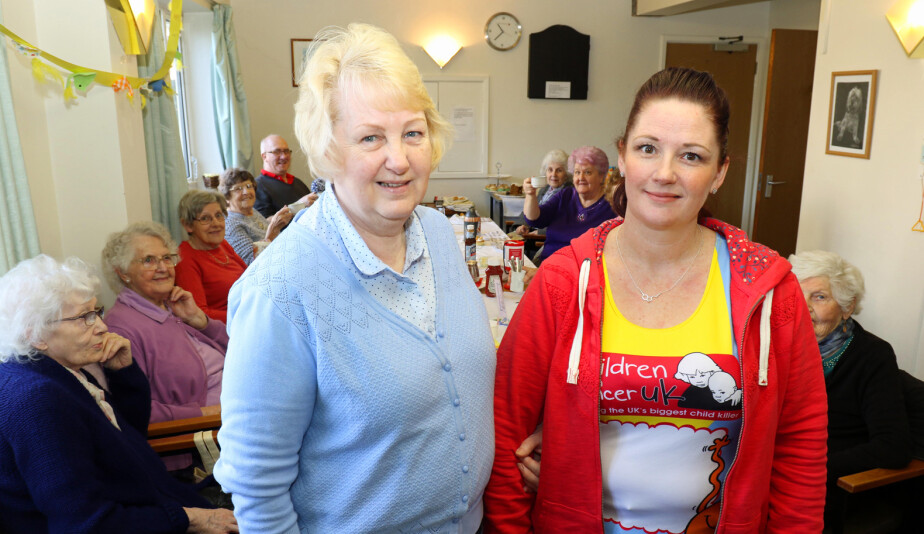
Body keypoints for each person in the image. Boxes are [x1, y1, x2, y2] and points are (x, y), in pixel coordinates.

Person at [485, 67, 827, 533]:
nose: (664, 174)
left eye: (691, 156)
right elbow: (507, 433)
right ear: (623, 157)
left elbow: (800, 446)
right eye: (648, 149)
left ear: (720, 172)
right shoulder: (563, 281)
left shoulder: (769, 290)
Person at [213, 23, 495, 534]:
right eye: (371, 137)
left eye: (413, 132)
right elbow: (257, 485)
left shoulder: (439, 234)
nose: (400, 159)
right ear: (329, 150)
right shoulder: (280, 290)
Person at [0, 254, 237, 534]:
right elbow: (86, 524)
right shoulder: (37, 399)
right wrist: (191, 519)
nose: (101, 326)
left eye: (96, 312)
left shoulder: (58, 369)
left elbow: (126, 443)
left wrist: (123, 374)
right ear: (35, 335)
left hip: (157, 503)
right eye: (84, 318)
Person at [789, 250, 912, 527]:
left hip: (828, 487)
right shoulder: (777, 348)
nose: (804, 307)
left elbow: (893, 446)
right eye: (797, 296)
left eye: (819, 297)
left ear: (847, 307)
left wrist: (814, 467)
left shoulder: (872, 355)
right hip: (774, 471)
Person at [101, 221, 226, 421]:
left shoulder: (174, 305)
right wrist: (204, 414)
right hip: (203, 433)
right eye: (149, 260)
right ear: (123, 273)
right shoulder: (121, 328)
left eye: (167, 258)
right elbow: (137, 408)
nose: (163, 268)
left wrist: (201, 322)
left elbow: (237, 349)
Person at [521, 145, 616, 264]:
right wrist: (530, 195)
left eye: (587, 172)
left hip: (583, 275)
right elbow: (535, 219)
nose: (581, 178)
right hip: (548, 266)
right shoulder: (566, 195)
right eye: (577, 172)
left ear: (601, 176)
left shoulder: (611, 206)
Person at [174, 190, 246, 323]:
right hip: (229, 327)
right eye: (205, 218)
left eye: (219, 215)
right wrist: (245, 316)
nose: (216, 223)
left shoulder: (222, 245)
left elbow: (248, 277)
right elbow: (199, 314)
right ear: (188, 225)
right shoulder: (185, 258)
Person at [219, 167, 293, 264]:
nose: (247, 192)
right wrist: (273, 232)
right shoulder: (230, 224)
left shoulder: (252, 211)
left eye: (249, 186)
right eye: (238, 188)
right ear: (226, 197)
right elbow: (251, 262)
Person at [254, 134, 318, 218]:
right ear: (264, 157)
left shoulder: (298, 183)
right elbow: (263, 224)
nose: (284, 156)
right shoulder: (257, 186)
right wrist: (299, 206)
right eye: (277, 152)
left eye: (286, 151)